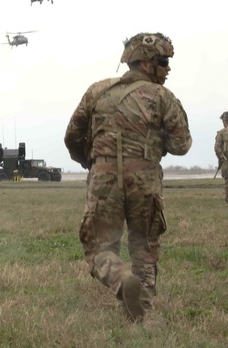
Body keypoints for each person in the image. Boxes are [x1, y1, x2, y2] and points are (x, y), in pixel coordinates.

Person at [64, 33, 192, 322]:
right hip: (145, 180)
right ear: (146, 63)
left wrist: (94, 162)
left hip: (104, 178)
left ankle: (122, 280)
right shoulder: (164, 98)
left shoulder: (97, 91)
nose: (168, 68)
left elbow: (72, 136)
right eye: (163, 62)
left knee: (99, 247)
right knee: (144, 245)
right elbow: (181, 145)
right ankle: (141, 315)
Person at [215, 111, 228, 209]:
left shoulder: (222, 132)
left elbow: (217, 147)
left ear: (225, 120)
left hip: (227, 161)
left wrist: (221, 158)